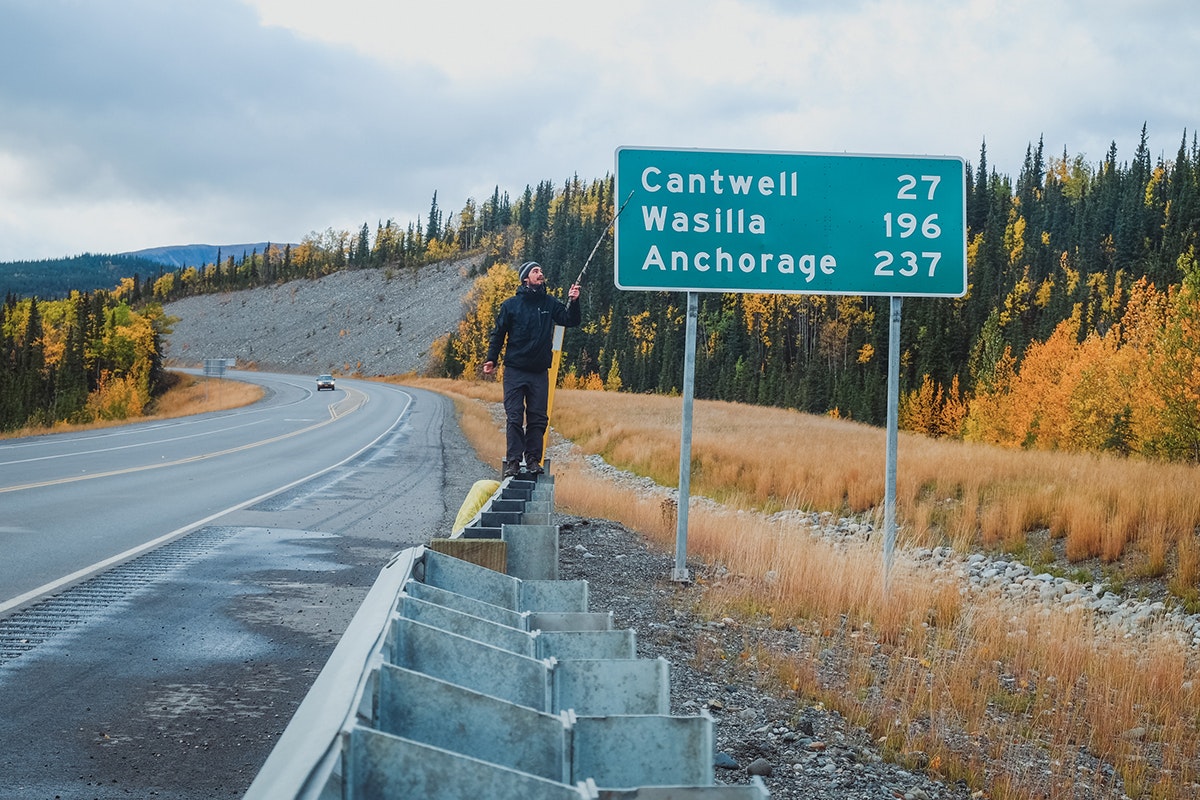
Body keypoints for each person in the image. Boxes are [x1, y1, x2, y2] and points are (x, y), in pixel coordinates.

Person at [483, 261, 582, 478]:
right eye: (535, 271)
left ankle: (533, 460)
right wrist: (491, 359)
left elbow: (569, 320)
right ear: (525, 278)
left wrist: (574, 302)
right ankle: (513, 462)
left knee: (538, 418)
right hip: (514, 371)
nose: (541, 273)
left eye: (541, 270)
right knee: (515, 416)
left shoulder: (549, 303)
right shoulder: (510, 305)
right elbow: (498, 334)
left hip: (538, 372)